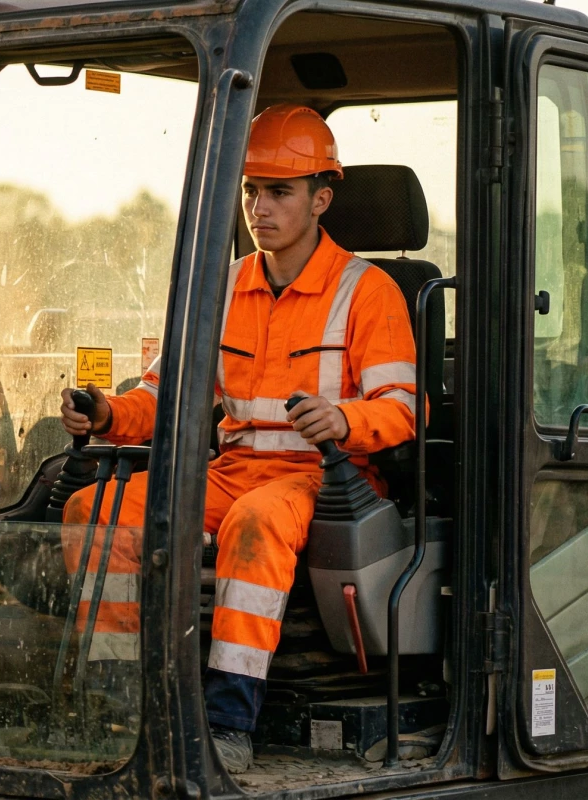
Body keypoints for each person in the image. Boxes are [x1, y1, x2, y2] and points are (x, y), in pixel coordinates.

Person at [57, 104, 417, 773]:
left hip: (321, 480)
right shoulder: (222, 288)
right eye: (251, 190)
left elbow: (402, 410)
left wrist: (344, 421)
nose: (260, 206)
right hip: (232, 472)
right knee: (96, 511)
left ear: (321, 199)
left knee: (256, 526)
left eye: (278, 191)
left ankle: (227, 721)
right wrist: (106, 413)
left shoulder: (369, 293)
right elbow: (168, 398)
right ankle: (113, 702)